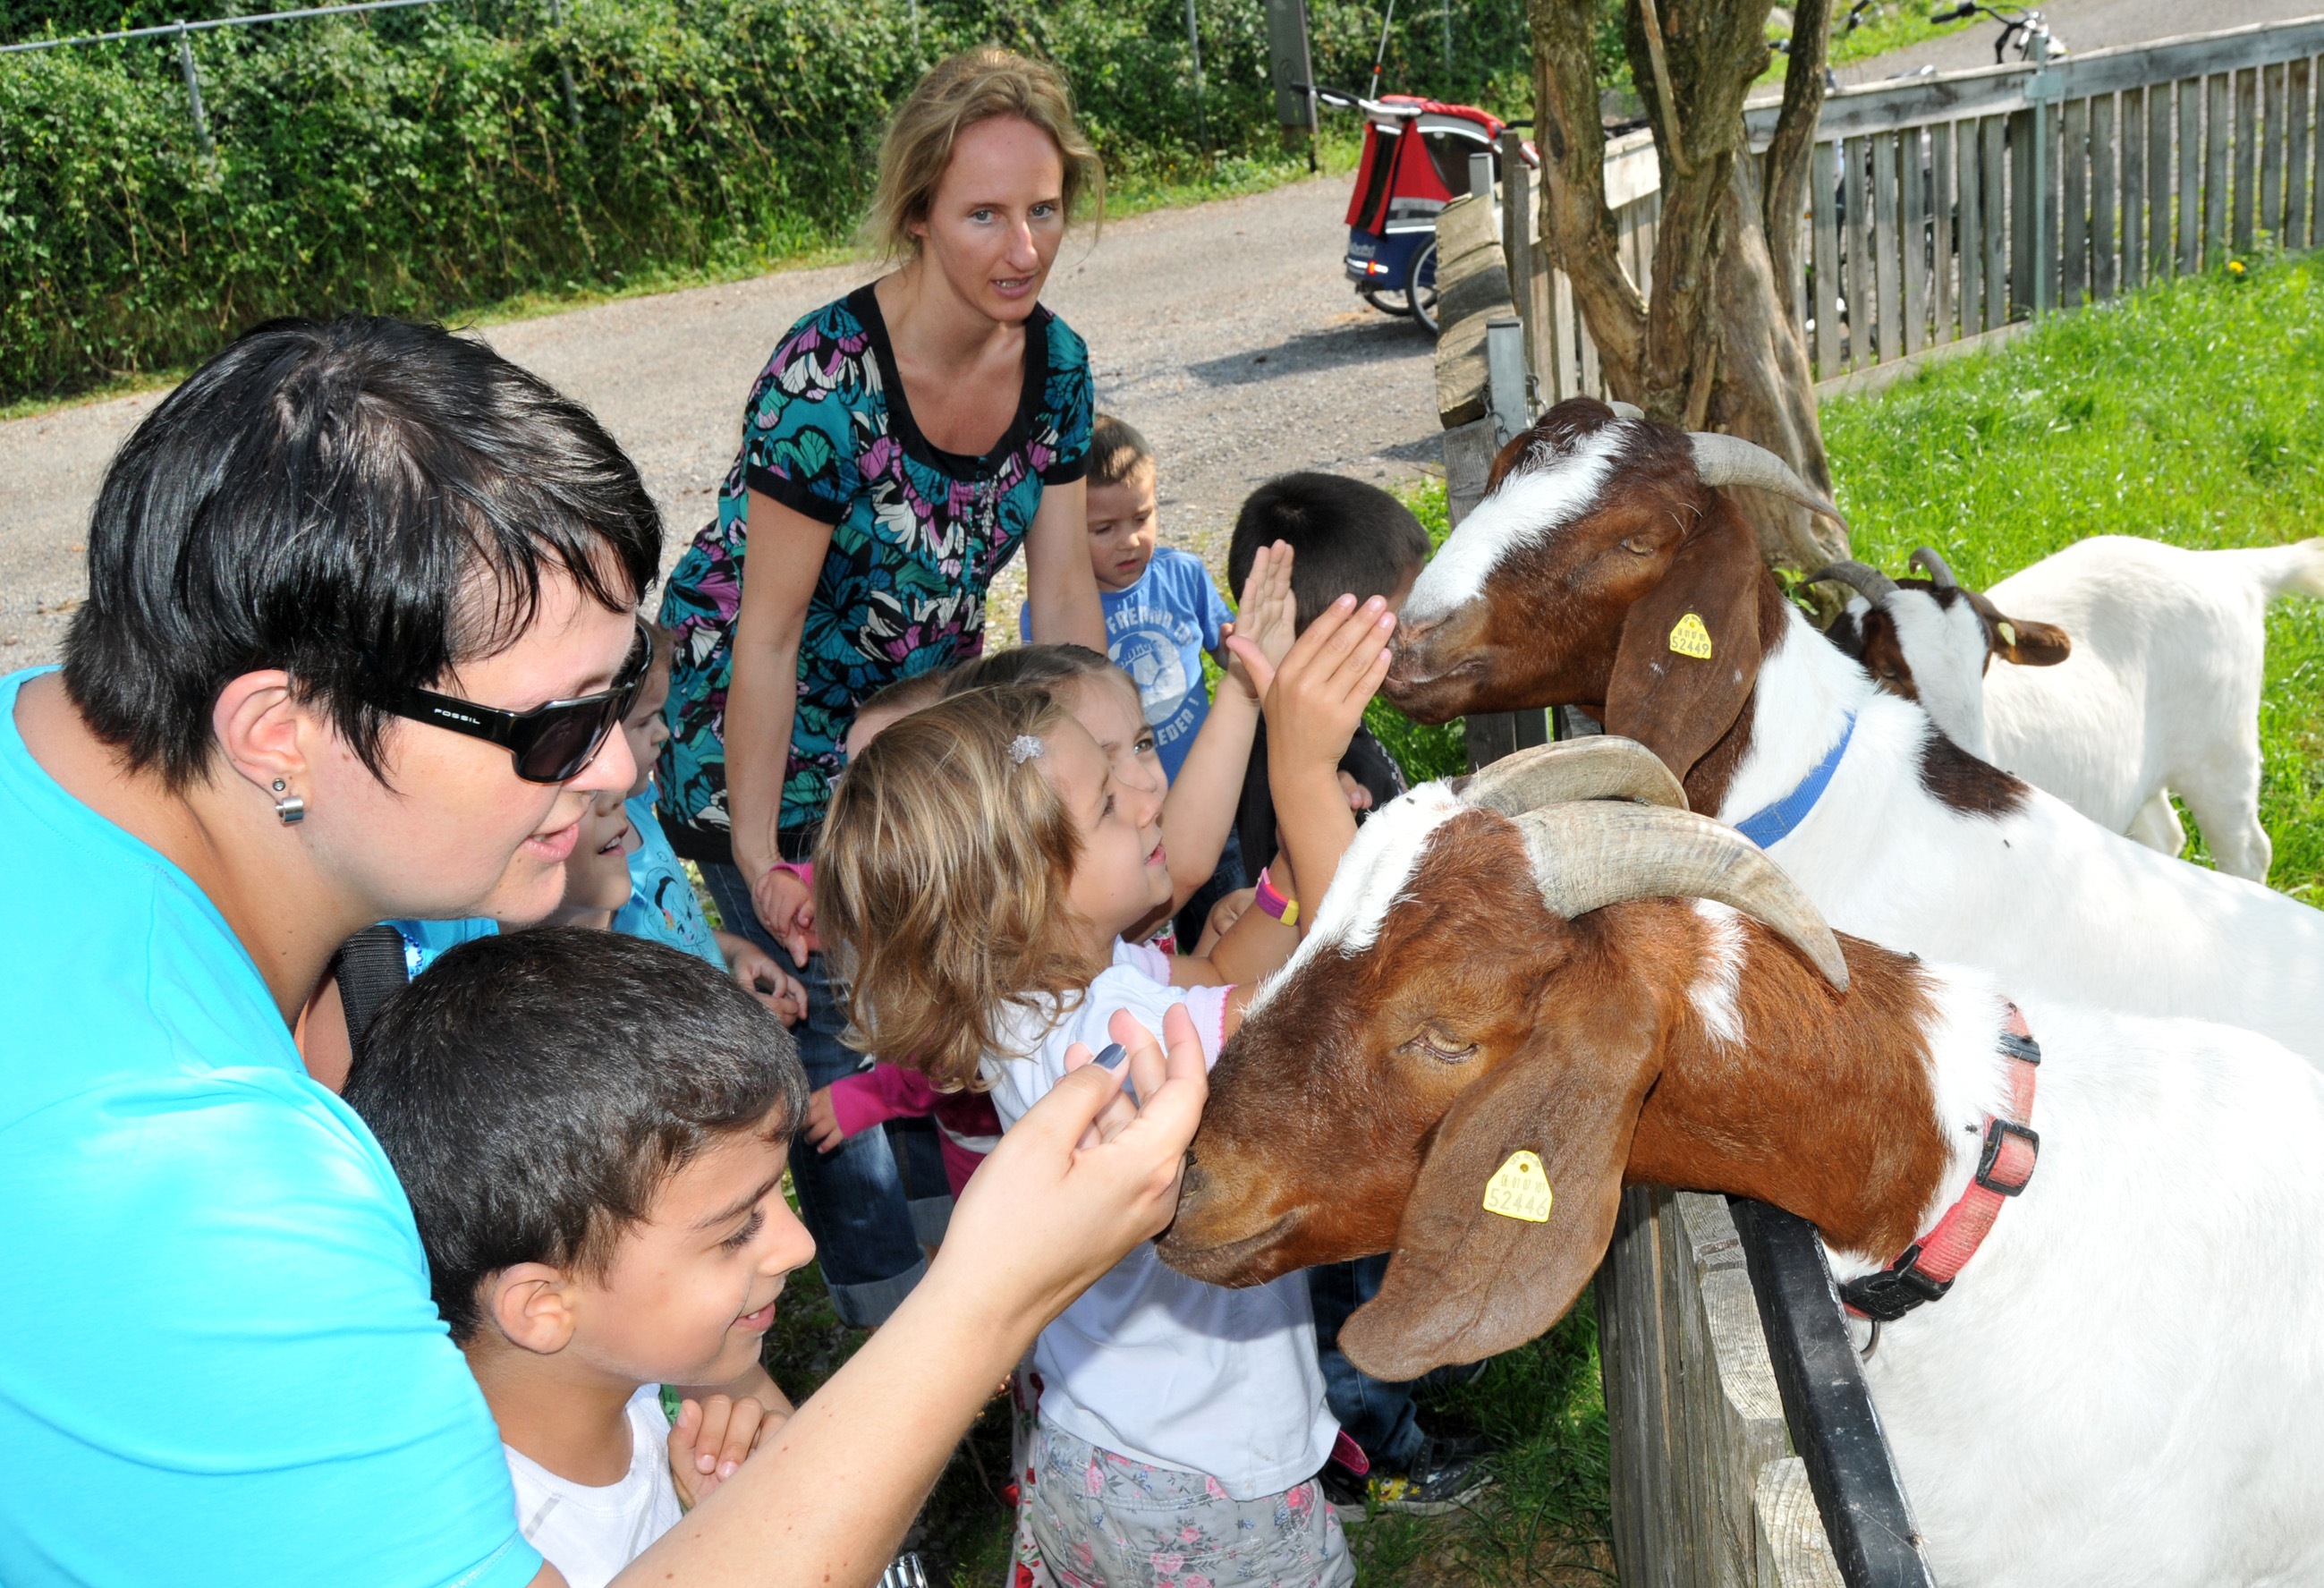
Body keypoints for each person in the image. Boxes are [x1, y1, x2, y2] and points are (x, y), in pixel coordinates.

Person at [0, 311, 1208, 1588]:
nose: (618, 768)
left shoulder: (102, 775)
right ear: (278, 733)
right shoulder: (191, 1186)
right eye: (553, 728)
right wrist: (988, 1296)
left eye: (618, 694)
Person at [814, 596, 1397, 1588]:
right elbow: (1353, 1007)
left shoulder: (1039, 997)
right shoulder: (1115, 1026)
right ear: (1027, 891)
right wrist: (1299, 777)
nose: (1143, 800)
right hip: (1209, 1479)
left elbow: (1226, 978)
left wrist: (1291, 871)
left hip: (1092, 1447)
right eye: (1105, 804)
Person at [657, 47, 1108, 1326]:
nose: (1023, 247)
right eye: (983, 215)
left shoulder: (1057, 367)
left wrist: (1103, 771)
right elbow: (765, 637)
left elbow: (1065, 597)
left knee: (932, 990)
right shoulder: (824, 379)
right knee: (831, 1026)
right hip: (757, 723)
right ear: (917, 214)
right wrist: (762, 850)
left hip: (911, 719)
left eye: (1043, 209)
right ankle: (882, 1319)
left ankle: (963, 1286)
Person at [344, 930, 806, 1588]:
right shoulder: (489, 1547)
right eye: (737, 1231)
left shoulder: (630, 1373)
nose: (799, 1246)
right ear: (544, 1309)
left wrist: (729, 1520)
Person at [1224, 471, 1484, 1516]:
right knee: (1350, 1275)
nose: (1429, 623)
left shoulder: (1327, 744)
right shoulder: (1290, 770)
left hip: (1356, 1058)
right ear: (1351, 630)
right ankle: (1372, 1448)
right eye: (1413, 606)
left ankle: (1400, 1390)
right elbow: (1325, 933)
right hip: (1327, 1086)